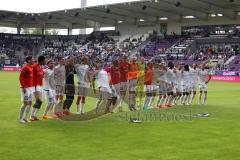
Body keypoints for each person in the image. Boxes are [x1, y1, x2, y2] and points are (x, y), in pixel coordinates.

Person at [19, 56, 34, 123]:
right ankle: (20, 118)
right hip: (25, 88)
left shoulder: (31, 67)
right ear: (28, 60)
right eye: (31, 59)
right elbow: (21, 77)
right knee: (25, 103)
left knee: (30, 103)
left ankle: (25, 117)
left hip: (30, 88)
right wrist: (24, 86)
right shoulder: (25, 67)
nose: (33, 60)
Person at [31, 55, 45, 121]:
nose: (45, 61)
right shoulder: (34, 66)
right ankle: (32, 116)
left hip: (40, 86)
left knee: (40, 101)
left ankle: (34, 115)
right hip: (35, 86)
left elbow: (41, 75)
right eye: (44, 60)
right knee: (38, 101)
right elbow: (30, 75)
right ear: (41, 60)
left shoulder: (40, 67)